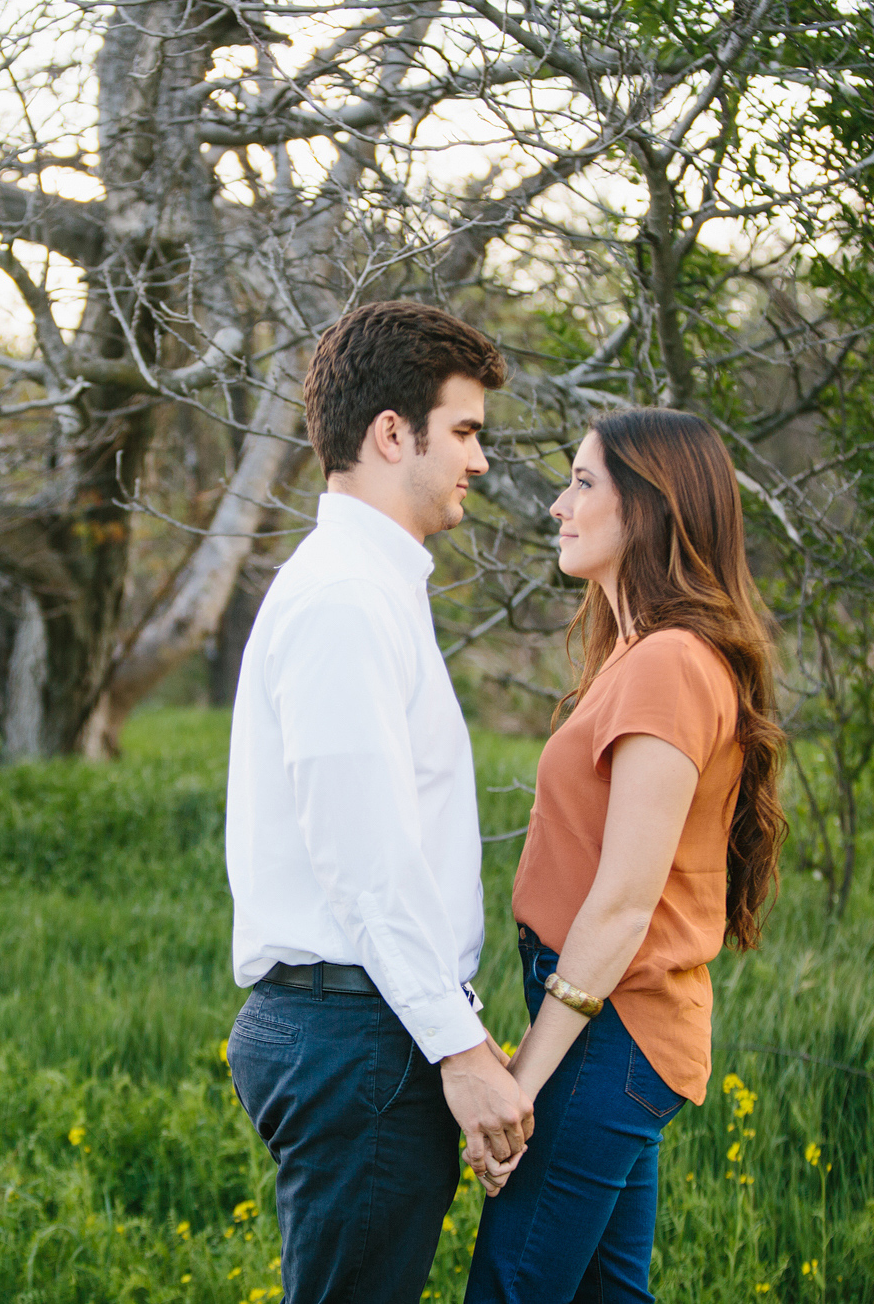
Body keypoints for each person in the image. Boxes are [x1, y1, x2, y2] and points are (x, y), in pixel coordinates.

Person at [224, 300, 531, 1304]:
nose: (478, 460)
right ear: (390, 433)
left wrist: (462, 1035)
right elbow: (364, 860)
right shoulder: (343, 600)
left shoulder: (373, 587)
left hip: (370, 1023)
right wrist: (459, 1050)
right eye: (463, 431)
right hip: (355, 1035)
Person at [465, 407, 787, 1303]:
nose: (559, 507)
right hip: (609, 1023)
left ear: (648, 508)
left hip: (612, 1028)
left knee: (510, 1289)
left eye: (582, 482)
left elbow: (622, 902)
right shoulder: (641, 653)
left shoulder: (670, 664)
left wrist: (520, 1083)